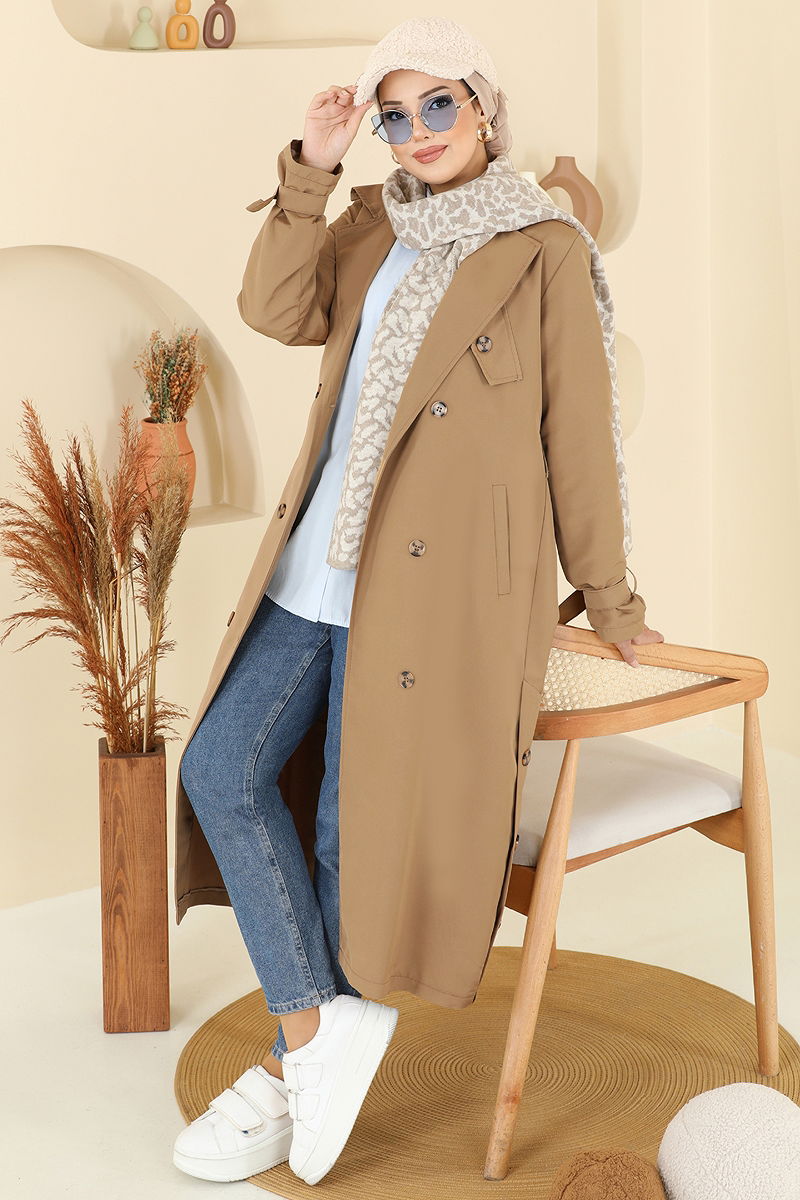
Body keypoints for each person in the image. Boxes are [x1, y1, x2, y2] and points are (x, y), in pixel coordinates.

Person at [173, 16, 664, 1188]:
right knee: (221, 768)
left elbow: (577, 439)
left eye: (437, 103)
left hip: (433, 591)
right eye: (393, 114)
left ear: (483, 108)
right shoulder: (366, 223)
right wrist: (311, 164)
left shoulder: (541, 248)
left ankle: (289, 1071)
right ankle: (312, 1035)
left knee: (351, 832)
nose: (416, 130)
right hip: (313, 568)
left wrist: (610, 598)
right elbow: (273, 309)